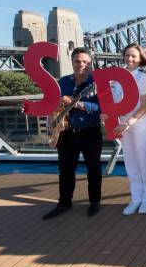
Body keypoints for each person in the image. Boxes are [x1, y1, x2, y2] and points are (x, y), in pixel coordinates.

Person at [43, 47, 102, 219]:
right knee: (66, 170)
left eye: (85, 62)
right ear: (72, 62)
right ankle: (64, 203)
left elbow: (100, 109)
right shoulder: (63, 82)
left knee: (94, 170)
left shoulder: (96, 84)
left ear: (90, 63)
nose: (81, 65)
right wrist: (53, 120)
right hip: (66, 133)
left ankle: (95, 203)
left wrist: (77, 104)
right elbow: (53, 104)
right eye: (78, 61)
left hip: (90, 132)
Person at [104, 43, 146, 216]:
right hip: (122, 123)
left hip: (140, 123)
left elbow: (145, 104)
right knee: (131, 161)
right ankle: (135, 198)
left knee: (144, 161)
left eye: (134, 56)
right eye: (127, 55)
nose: (130, 59)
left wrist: (130, 121)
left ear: (140, 58)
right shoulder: (117, 78)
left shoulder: (144, 77)